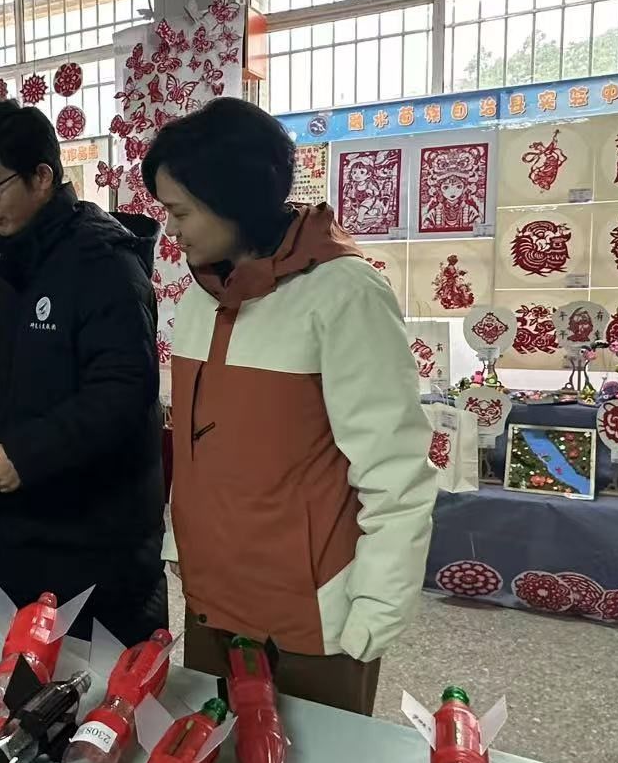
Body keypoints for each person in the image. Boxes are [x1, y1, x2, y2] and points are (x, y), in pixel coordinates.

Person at [145, 98, 437, 716]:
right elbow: (195, 452)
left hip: (316, 612)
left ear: (235, 198)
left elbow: (395, 466)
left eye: (181, 211)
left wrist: (378, 606)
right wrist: (180, 547)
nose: (172, 230)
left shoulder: (344, 293)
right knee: (212, 755)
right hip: (215, 594)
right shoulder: (202, 296)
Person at [0, 101, 167, 644]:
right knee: (25, 667)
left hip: (99, 533)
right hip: (28, 523)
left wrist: (27, 454)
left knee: (97, 683)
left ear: (43, 176)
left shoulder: (104, 262)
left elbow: (123, 391)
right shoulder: (15, 259)